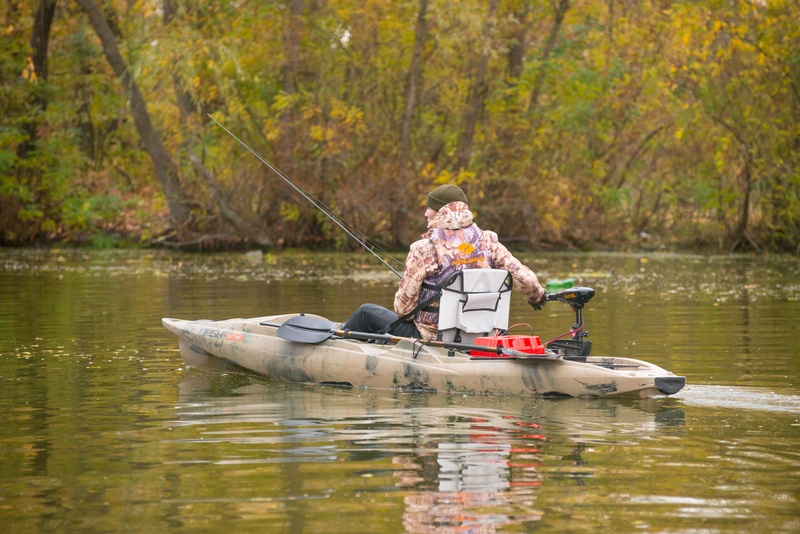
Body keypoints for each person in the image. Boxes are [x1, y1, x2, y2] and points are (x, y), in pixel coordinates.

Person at [342, 184, 547, 341]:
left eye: (430, 208)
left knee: (365, 313)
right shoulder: (489, 241)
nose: (426, 213)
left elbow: (403, 311)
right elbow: (527, 279)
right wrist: (536, 298)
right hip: (483, 336)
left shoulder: (424, 249)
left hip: (433, 338)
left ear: (441, 212)